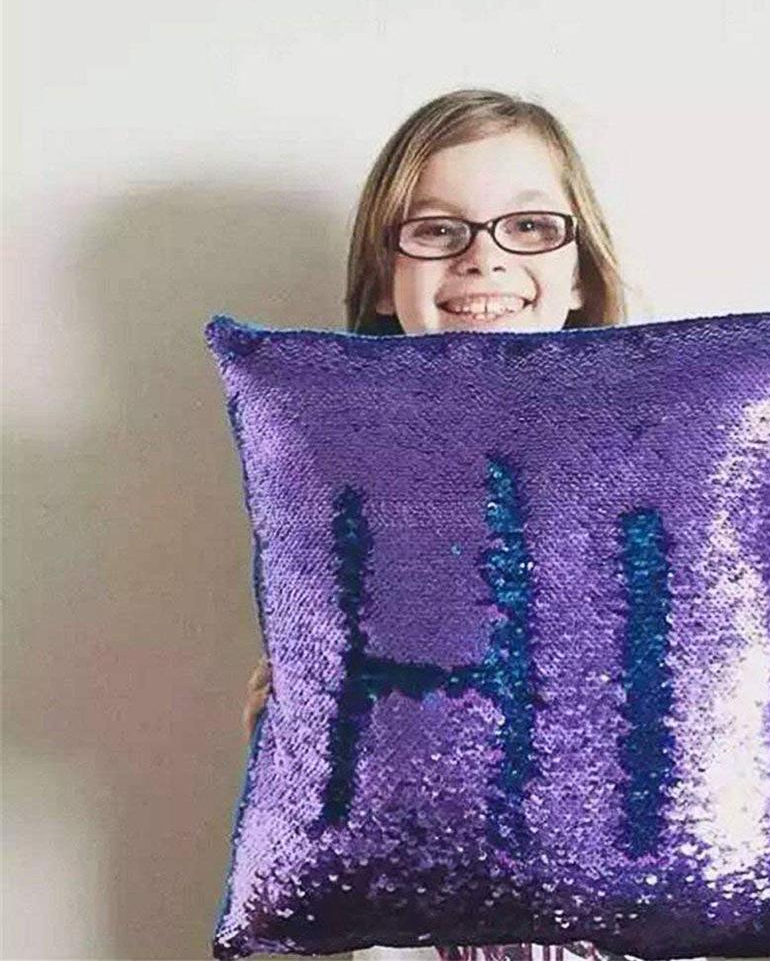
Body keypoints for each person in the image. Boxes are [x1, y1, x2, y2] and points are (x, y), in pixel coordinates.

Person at [240, 87, 632, 961]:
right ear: (384, 276)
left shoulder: (661, 456)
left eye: (529, 226)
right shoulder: (327, 467)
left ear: (581, 272)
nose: (484, 259)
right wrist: (289, 719)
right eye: (437, 229)